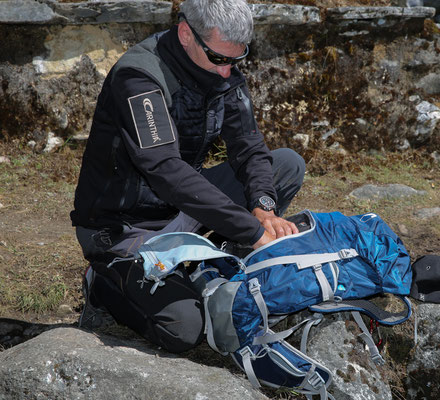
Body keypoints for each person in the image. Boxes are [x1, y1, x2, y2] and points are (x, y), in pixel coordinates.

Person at [70, 0, 305, 353]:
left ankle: (215, 267)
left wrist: (263, 208)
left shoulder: (221, 68)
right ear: (185, 33)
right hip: (122, 228)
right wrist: (252, 230)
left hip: (181, 208)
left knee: (285, 164)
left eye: (236, 60)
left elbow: (249, 147)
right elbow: (164, 170)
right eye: (219, 59)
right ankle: (104, 284)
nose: (227, 71)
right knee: (184, 329)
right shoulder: (139, 78)